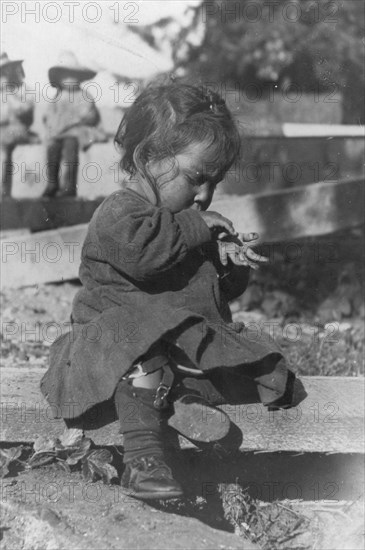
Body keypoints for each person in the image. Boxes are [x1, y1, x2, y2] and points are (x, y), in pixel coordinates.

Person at [41, 84, 305, 500]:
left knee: (254, 367)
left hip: (170, 353)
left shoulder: (182, 221)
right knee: (142, 353)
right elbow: (146, 254)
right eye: (197, 179)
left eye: (214, 183)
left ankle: (179, 398)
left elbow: (210, 294)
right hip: (114, 349)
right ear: (148, 156)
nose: (205, 195)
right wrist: (199, 230)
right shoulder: (121, 212)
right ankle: (144, 460)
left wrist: (228, 267)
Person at [42, 51, 106, 198]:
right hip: (59, 132)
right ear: (60, 79)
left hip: (80, 130)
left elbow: (89, 115)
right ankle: (52, 183)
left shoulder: (84, 95)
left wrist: (70, 122)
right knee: (52, 146)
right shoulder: (57, 97)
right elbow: (48, 115)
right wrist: (53, 125)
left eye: (73, 76)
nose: (69, 80)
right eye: (65, 76)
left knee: (70, 144)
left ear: (79, 78)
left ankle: (69, 186)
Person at [0, 52, 39, 198]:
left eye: (6, 69)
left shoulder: (24, 89)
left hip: (17, 129)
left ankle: (3, 195)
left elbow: (23, 111)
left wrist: (8, 93)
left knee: (2, 147)